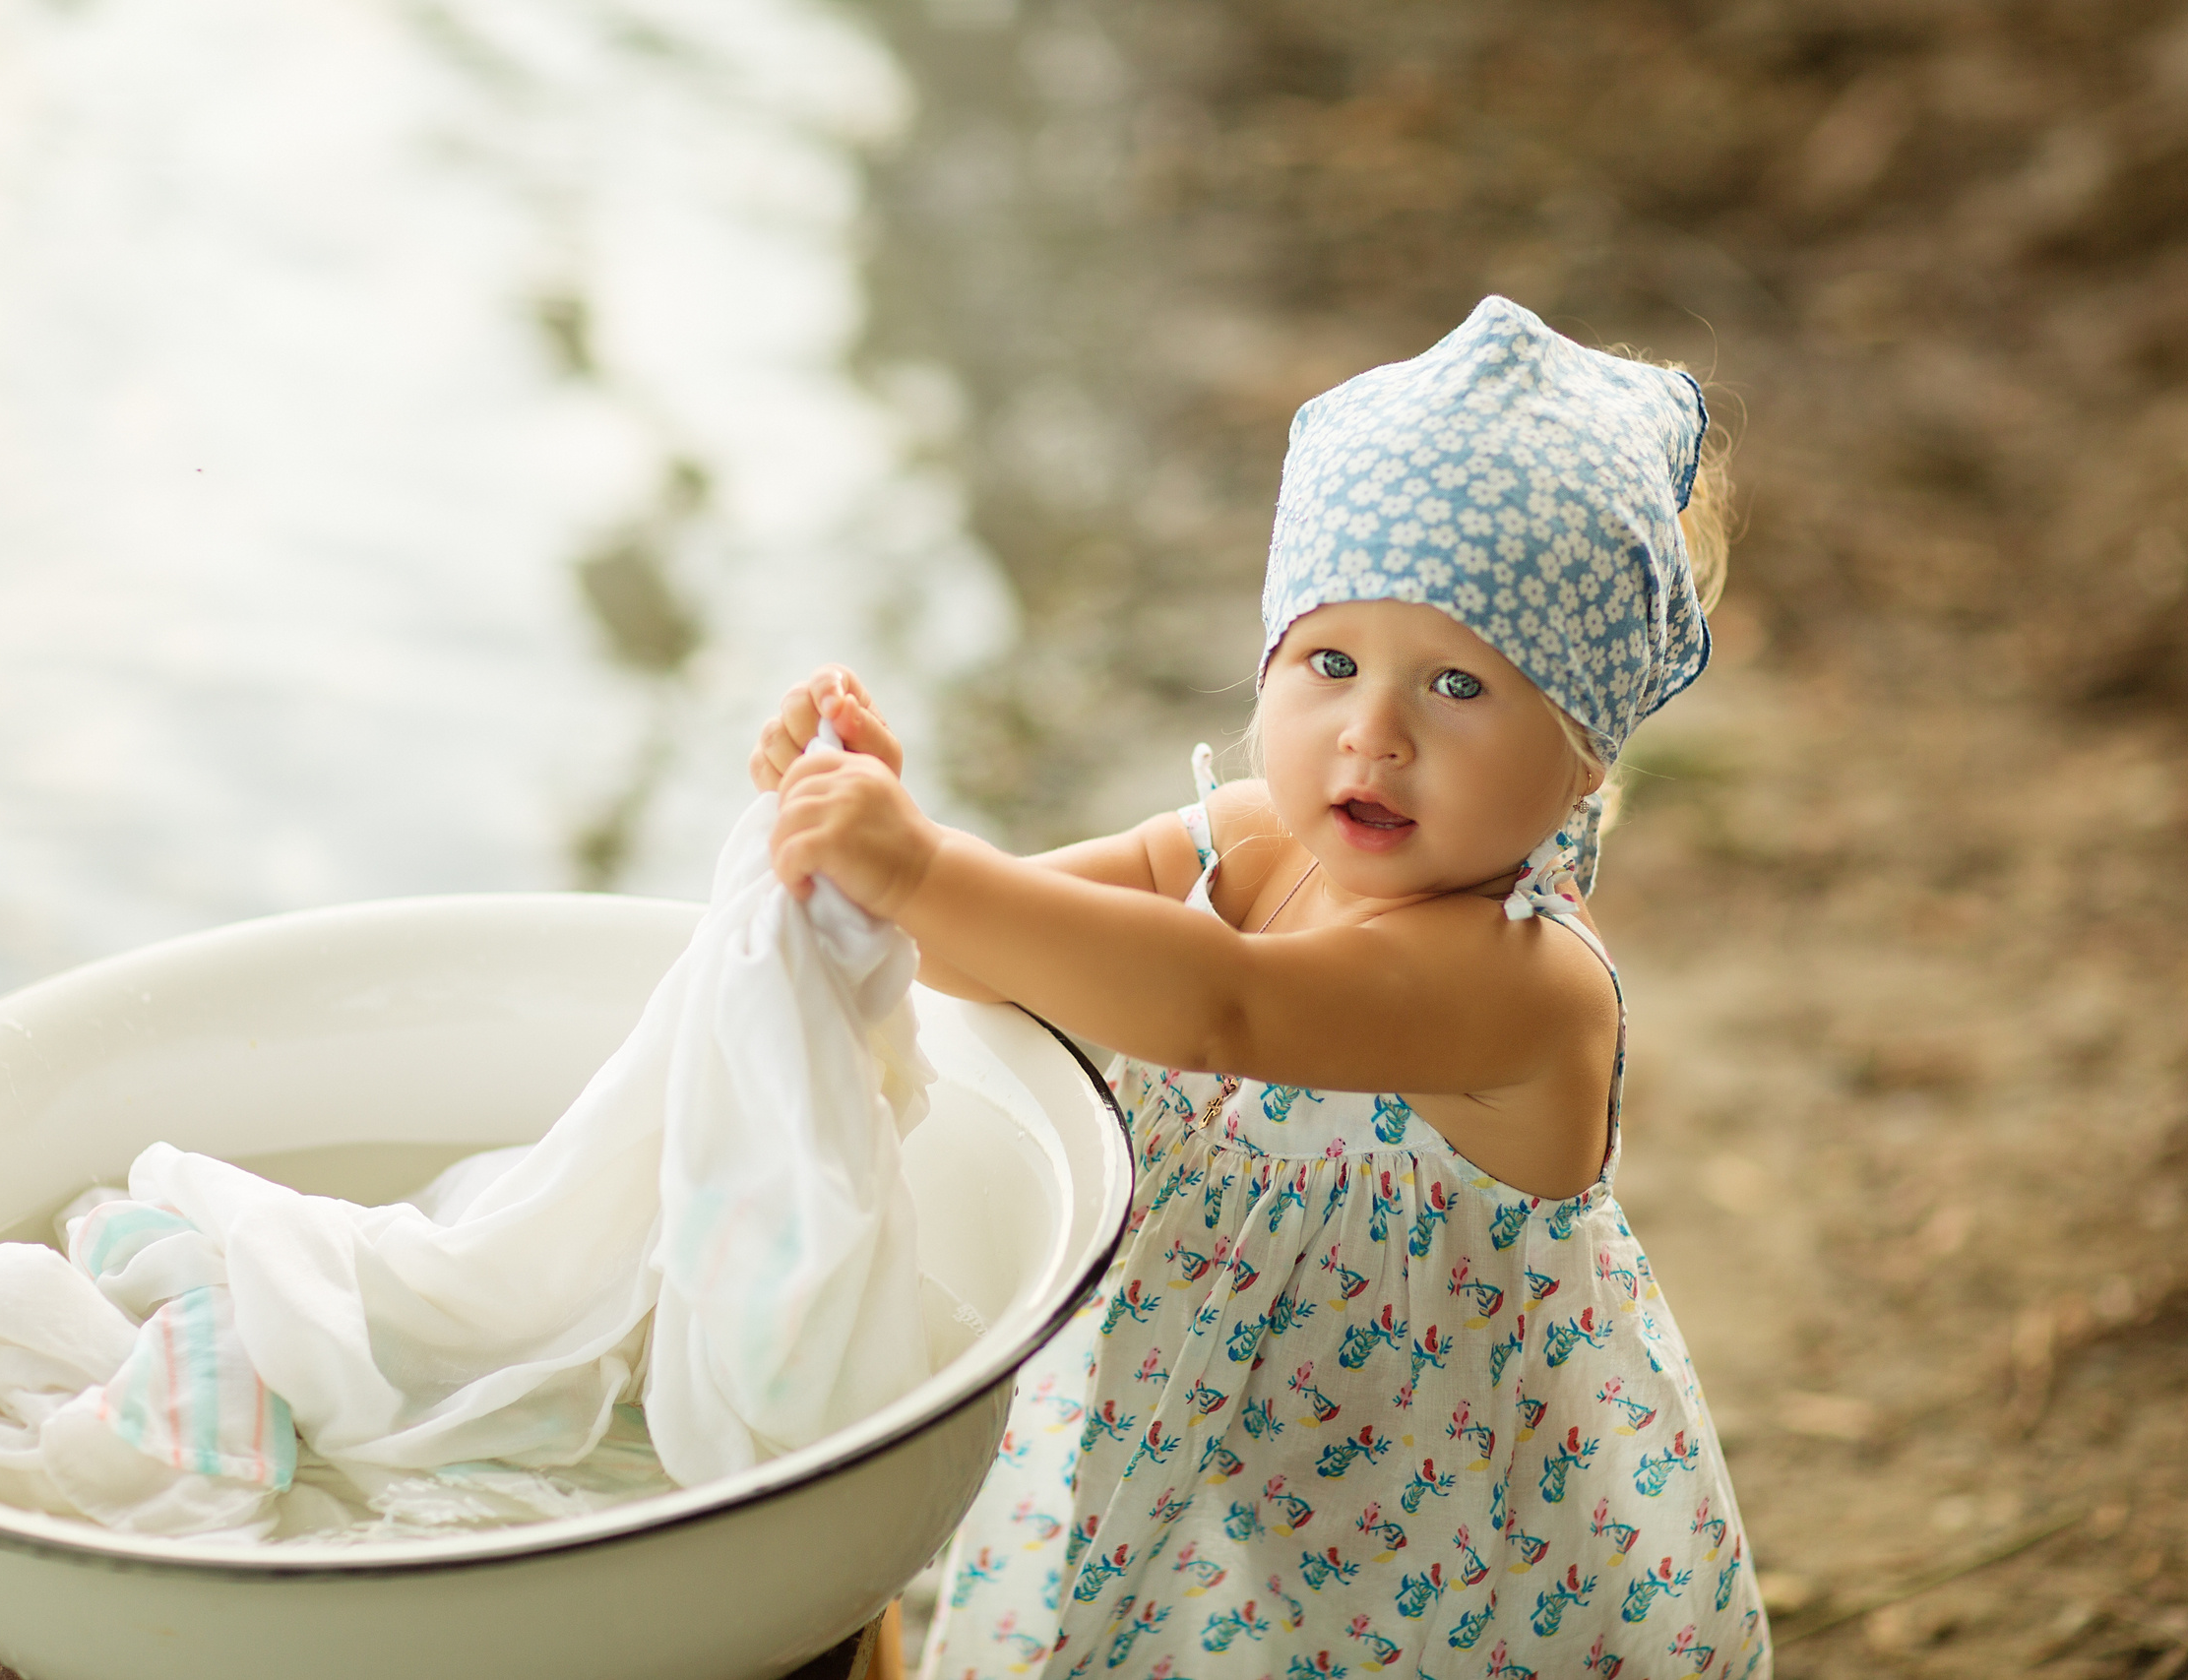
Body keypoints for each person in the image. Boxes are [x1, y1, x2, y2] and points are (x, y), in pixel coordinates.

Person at [752, 296, 1768, 1679]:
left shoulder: (1518, 985)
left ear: (1584, 749)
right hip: (1190, 1455)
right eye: (1331, 661)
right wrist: (871, 859)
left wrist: (927, 866)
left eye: (1460, 685)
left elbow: (1223, 1006)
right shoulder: (1247, 840)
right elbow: (994, 960)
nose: (1374, 732)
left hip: (1429, 1537)